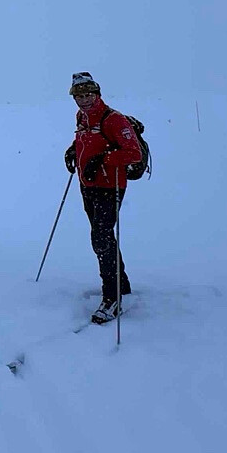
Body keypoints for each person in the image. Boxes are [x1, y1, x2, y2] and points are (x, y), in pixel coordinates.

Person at [63, 72, 144, 323]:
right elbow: (85, 140)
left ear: (97, 93)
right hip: (88, 185)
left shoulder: (114, 120)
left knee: (100, 238)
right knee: (103, 236)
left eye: (88, 94)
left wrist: (102, 159)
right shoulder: (82, 117)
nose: (84, 100)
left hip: (110, 187)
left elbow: (134, 153)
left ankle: (112, 297)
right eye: (78, 96)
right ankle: (122, 284)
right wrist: (73, 150)